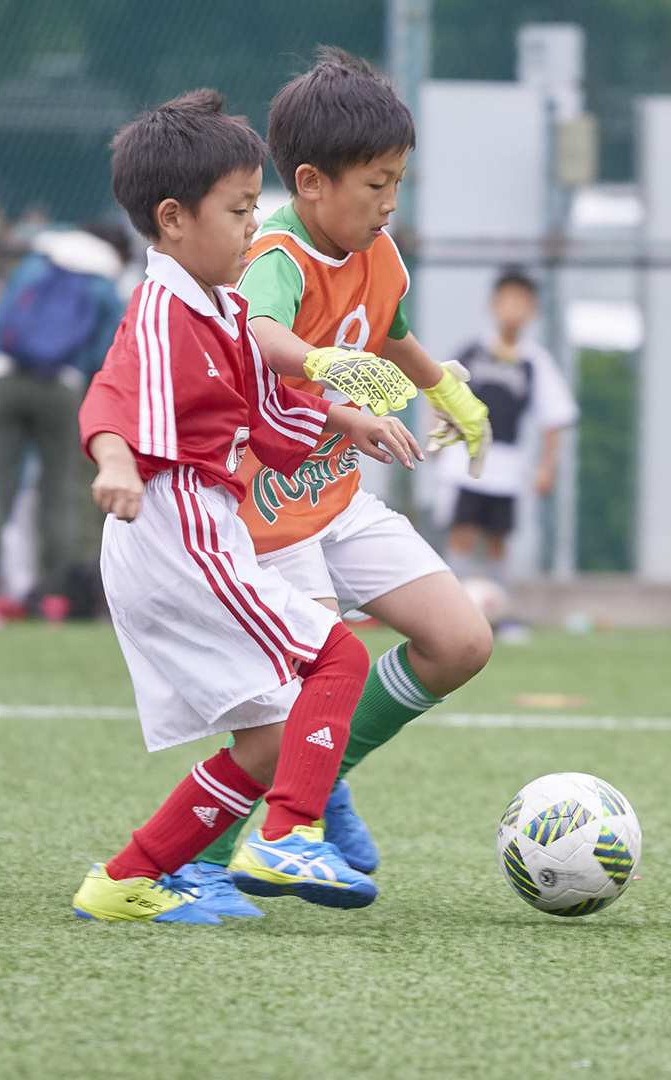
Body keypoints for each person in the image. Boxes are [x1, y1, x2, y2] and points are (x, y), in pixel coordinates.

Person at [72, 90, 422, 923]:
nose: (252, 226)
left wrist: (344, 416)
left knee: (269, 741)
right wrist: (114, 462)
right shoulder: (162, 310)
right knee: (336, 661)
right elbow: (109, 398)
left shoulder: (219, 305)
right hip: (178, 535)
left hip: (196, 534)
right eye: (238, 211)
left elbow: (266, 416)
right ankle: (290, 832)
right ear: (173, 219)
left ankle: (124, 881)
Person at [168, 47, 497, 908]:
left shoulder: (377, 251)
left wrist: (445, 386)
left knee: (461, 642)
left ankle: (323, 775)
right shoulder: (276, 253)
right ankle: (215, 854)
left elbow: (388, 331)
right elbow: (262, 338)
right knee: (309, 692)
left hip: (337, 502)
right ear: (310, 182)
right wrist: (334, 376)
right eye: (375, 185)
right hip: (265, 516)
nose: (390, 204)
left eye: (399, 183)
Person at [0, 223, 126, 628]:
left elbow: (3, 328)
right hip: (61, 388)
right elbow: (106, 354)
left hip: (2, 380)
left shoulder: (37, 262)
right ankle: (54, 597)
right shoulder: (105, 283)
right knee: (57, 493)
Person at [438, 267, 579, 587]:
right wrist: (437, 439)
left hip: (506, 467)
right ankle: (452, 603)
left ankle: (499, 612)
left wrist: (547, 468)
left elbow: (555, 416)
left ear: (534, 311)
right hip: (465, 460)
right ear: (493, 305)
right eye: (508, 302)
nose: (514, 311)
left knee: (498, 540)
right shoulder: (471, 353)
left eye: (522, 304)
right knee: (462, 531)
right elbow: (441, 395)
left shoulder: (534, 362)